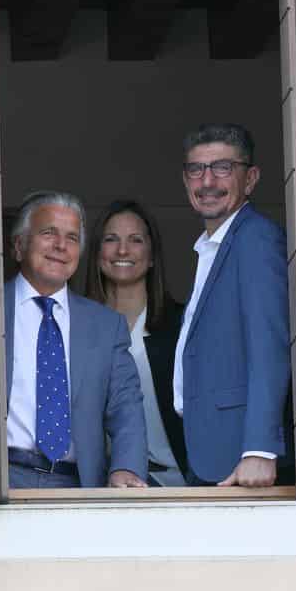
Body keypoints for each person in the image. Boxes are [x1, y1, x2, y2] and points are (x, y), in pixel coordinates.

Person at [3, 191, 148, 490]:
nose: (61, 245)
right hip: (1, 481)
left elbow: (126, 407)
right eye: (48, 233)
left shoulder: (106, 325)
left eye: (72, 238)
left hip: (77, 485)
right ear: (19, 246)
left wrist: (126, 468)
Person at [172, 124, 290, 486]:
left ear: (250, 179)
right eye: (196, 169)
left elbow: (269, 347)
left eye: (223, 168)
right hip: (210, 449)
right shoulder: (212, 247)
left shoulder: (256, 240)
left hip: (241, 457)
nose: (207, 181)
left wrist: (260, 449)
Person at [81, 199, 191, 487]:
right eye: (110, 239)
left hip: (177, 483)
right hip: (101, 485)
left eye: (136, 240)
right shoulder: (75, 328)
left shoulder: (182, 326)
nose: (122, 250)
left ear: (152, 256)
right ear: (96, 253)